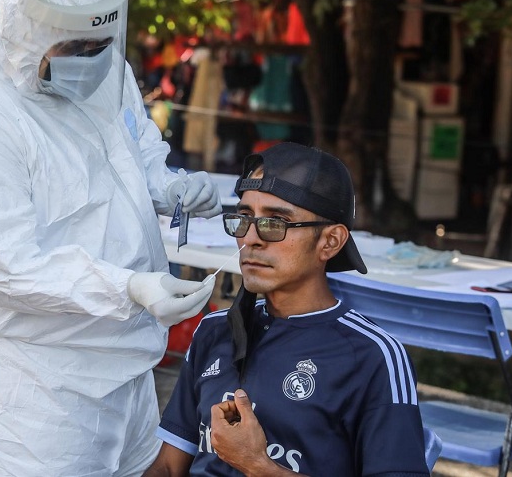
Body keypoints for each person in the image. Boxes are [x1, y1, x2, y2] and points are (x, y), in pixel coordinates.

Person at [0, 0, 222, 476]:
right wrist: (128, 286)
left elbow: (136, 155)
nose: (91, 60)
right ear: (26, 34)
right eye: (75, 48)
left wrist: (171, 187)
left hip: (127, 369)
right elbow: (5, 265)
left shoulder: (107, 75)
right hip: (31, 392)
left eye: (101, 45)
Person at [145, 142, 430, 476]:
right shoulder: (215, 329)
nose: (251, 238)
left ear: (330, 242)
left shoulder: (371, 357)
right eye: (244, 218)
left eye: (275, 222)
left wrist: (257, 464)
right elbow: (168, 465)